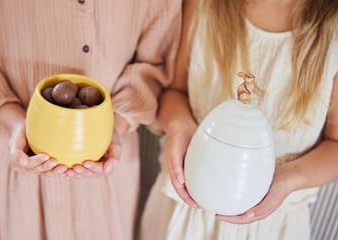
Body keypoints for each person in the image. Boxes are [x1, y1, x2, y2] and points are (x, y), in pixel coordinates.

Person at [0, 1, 182, 239]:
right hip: (9, 154)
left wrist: (111, 127)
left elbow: (154, 62)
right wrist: (12, 120)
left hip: (108, 164)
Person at [140, 0, 338, 239]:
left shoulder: (332, 32)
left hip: (273, 224)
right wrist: (181, 128)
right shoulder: (205, 5)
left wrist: (286, 180)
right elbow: (174, 93)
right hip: (183, 210)